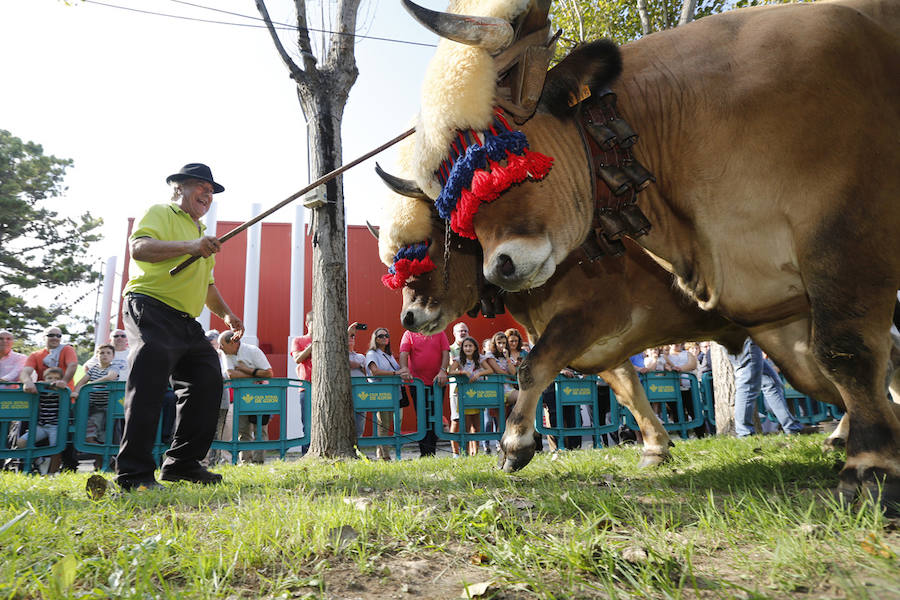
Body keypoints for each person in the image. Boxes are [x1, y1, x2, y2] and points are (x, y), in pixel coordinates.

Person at [116, 163, 244, 491]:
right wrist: (190, 247)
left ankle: (182, 465)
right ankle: (133, 474)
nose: (208, 194)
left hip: (186, 321)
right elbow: (139, 248)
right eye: (201, 186)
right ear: (178, 188)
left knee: (207, 380)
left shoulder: (202, 237)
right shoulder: (161, 212)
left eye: (211, 191)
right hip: (150, 306)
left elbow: (207, 287)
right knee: (149, 379)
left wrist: (227, 315)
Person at [726, 338, 805, 437]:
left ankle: (792, 428)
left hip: (745, 337)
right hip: (744, 336)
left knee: (771, 382)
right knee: (747, 384)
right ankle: (744, 434)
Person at [219, 330, 272, 464]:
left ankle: (258, 462)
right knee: (242, 430)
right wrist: (256, 375)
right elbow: (231, 375)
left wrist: (245, 370)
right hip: (241, 395)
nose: (220, 348)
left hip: (260, 396)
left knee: (260, 429)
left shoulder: (253, 351)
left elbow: (268, 373)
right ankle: (245, 462)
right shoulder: (227, 353)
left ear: (232, 343)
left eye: (222, 345)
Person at [398, 329, 449, 457]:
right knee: (422, 417)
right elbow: (403, 353)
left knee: (436, 417)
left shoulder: (439, 332)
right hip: (417, 383)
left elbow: (446, 352)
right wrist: (404, 368)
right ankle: (424, 453)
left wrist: (443, 371)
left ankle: (432, 452)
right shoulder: (409, 333)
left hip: (437, 382)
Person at [74, 344, 119, 469]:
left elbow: (111, 377)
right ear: (97, 355)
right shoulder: (93, 369)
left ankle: (107, 462)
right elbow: (81, 382)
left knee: (105, 436)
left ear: (113, 356)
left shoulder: (114, 367)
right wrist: (76, 392)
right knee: (90, 436)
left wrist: (90, 385)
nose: (104, 355)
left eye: (108, 353)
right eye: (102, 353)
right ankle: (102, 461)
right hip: (93, 408)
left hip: (108, 409)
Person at [15, 366, 66, 474]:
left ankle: (51, 473)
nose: (52, 381)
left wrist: (60, 388)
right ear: (44, 379)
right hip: (42, 425)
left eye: (56, 378)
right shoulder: (41, 391)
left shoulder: (62, 393)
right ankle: (40, 461)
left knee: (56, 449)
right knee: (21, 442)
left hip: (55, 426)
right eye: (49, 378)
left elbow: (65, 402)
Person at [447, 336, 492, 456]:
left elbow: (490, 370)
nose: (468, 348)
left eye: (470, 346)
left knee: (476, 425)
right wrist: (463, 372)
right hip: (463, 394)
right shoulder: (458, 359)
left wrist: (478, 374)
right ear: (462, 348)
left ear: (475, 347)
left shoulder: (480, 358)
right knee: (465, 425)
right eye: (465, 346)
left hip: (476, 393)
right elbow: (450, 371)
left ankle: (475, 452)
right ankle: (465, 452)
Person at [365, 327, 403, 461]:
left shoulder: (389, 354)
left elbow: (398, 369)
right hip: (379, 392)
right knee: (382, 423)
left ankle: (380, 454)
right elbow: (375, 371)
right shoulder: (372, 353)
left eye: (386, 335)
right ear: (375, 339)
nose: (384, 338)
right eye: (380, 336)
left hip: (391, 392)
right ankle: (385, 456)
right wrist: (395, 374)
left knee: (387, 423)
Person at [290, 311, 313, 454]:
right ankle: (307, 453)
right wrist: (312, 345)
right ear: (307, 324)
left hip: (324, 388)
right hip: (307, 387)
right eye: (314, 323)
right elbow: (297, 359)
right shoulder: (298, 340)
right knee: (308, 423)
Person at [348, 324, 368, 438]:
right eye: (349, 336)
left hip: (361, 393)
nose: (351, 339)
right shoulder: (339, 354)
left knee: (360, 421)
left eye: (353, 337)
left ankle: (358, 446)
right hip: (347, 392)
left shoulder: (361, 356)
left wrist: (359, 366)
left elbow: (368, 372)